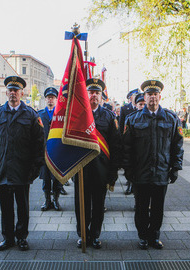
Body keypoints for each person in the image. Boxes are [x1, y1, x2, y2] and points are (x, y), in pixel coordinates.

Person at [0, 76, 44, 251]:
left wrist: (37, 166)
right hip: (3, 168)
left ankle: (22, 237)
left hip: (22, 169)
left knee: (22, 207)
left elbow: (39, 143)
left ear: (22, 93)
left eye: (16, 91)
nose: (13, 94)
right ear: (6, 92)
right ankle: (8, 238)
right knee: (6, 207)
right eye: (10, 90)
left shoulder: (31, 115)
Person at [123, 80, 183, 250]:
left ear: (160, 96)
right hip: (140, 172)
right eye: (149, 95)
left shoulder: (171, 118)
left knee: (158, 208)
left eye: (155, 94)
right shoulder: (133, 119)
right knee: (141, 207)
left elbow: (177, 145)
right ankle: (142, 236)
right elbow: (127, 147)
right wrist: (128, 169)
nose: (152, 98)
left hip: (161, 171)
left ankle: (154, 236)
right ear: (145, 97)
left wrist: (175, 168)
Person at [74, 78, 121, 249]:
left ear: (102, 97)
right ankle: (82, 234)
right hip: (81, 169)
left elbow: (115, 146)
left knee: (99, 206)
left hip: (101, 170)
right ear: (86, 94)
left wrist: (113, 172)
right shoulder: (77, 115)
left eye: (97, 93)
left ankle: (94, 235)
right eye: (91, 92)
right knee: (81, 205)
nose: (94, 95)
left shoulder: (109, 117)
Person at [38, 87, 65, 211]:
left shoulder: (60, 114)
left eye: (53, 98)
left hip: (57, 152)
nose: (50, 100)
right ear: (45, 99)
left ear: (56, 99)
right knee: (46, 179)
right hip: (44, 152)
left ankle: (56, 200)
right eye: (48, 98)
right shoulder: (39, 114)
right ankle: (47, 200)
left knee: (57, 179)